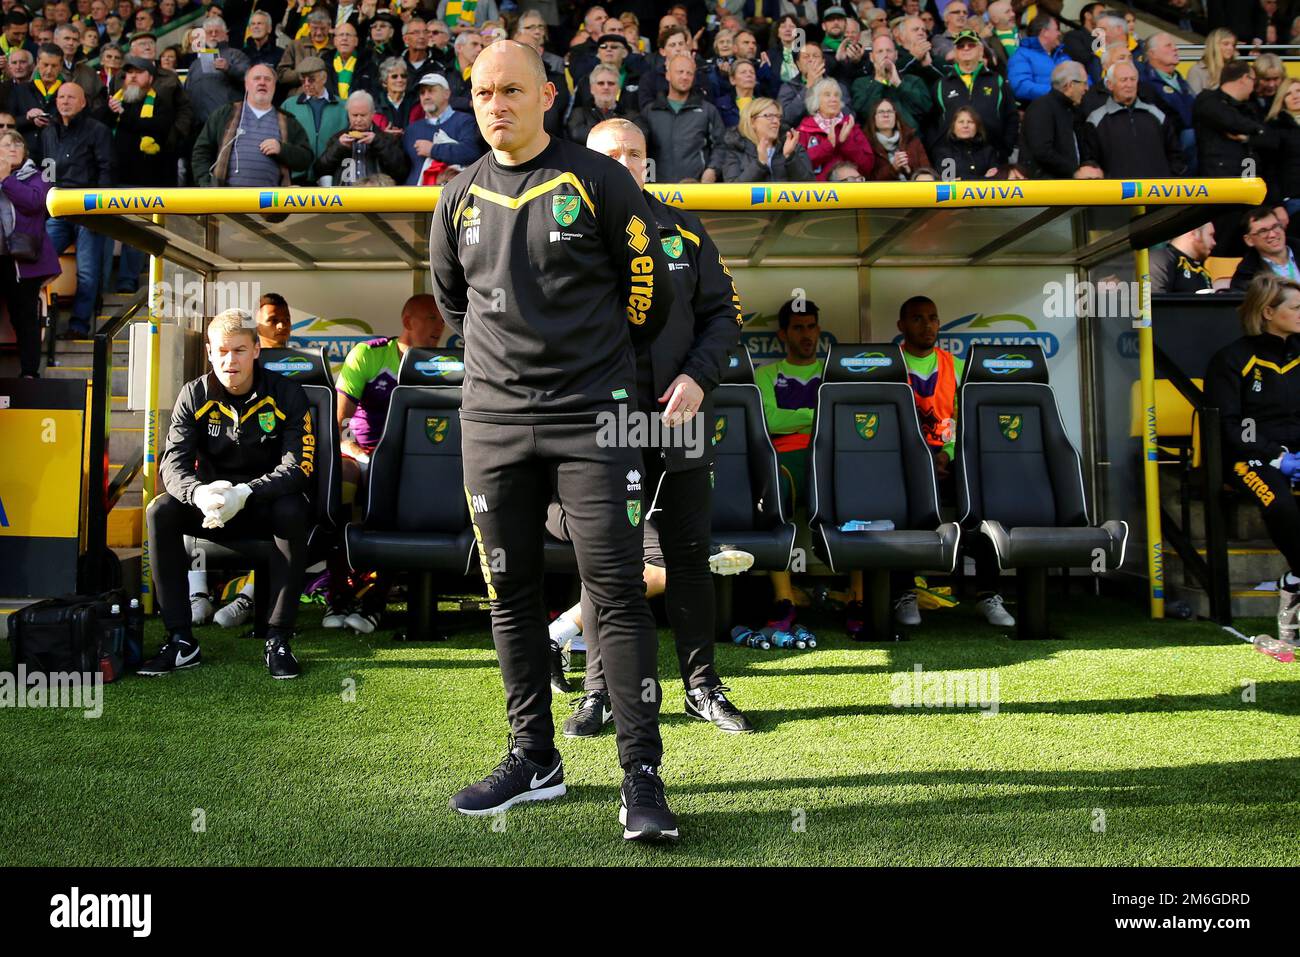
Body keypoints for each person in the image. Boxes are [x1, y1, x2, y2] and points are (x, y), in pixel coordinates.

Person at [428, 40, 679, 840]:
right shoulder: (456, 196)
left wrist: (586, 364)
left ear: (545, 95)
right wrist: (507, 377)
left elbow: (651, 298)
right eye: (481, 92)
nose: (494, 104)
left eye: (510, 90)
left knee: (617, 592)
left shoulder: (599, 182)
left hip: (593, 419)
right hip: (493, 424)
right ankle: (533, 755)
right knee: (510, 593)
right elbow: (454, 308)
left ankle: (641, 777)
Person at [552, 117, 750, 740]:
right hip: (602, 421)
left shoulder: (684, 228)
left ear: (648, 164)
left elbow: (724, 314)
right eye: (609, 155)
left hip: (681, 415)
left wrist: (696, 377)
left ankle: (701, 688)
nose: (623, 163)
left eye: (633, 154)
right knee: (605, 562)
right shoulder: (560, 232)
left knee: (688, 557)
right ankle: (601, 692)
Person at [141, 309, 315, 680]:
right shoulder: (194, 394)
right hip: (213, 508)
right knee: (161, 511)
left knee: (292, 509)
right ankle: (181, 641)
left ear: (255, 350)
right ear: (208, 351)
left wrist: (246, 492)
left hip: (261, 504)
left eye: (238, 350)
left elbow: (299, 466)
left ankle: (278, 639)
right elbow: (172, 465)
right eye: (221, 350)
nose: (229, 360)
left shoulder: (286, 394)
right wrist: (199, 493)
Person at [895, 294, 1016, 627]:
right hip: (906, 462)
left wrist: (947, 452)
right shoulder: (891, 365)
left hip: (949, 458)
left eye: (933, 318)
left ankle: (987, 593)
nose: (928, 325)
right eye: (918, 318)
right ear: (901, 326)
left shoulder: (957, 366)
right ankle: (904, 592)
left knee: (985, 488)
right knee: (893, 498)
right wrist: (923, 458)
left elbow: (968, 419)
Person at [327, 293, 444, 632]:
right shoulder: (370, 352)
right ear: (408, 321)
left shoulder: (443, 363)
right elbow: (338, 419)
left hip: (410, 462)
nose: (439, 326)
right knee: (340, 484)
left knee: (402, 497)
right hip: (362, 451)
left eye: (441, 319)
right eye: (430, 317)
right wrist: (351, 449)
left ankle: (375, 602)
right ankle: (338, 594)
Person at [1205, 273, 1300, 647]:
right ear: (1267, 312)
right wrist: (1275, 456)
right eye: (1295, 308)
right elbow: (1233, 425)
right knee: (1280, 505)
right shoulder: (1232, 359)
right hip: (1249, 459)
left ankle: (1293, 580)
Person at [753, 297, 835, 634]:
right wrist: (815, 416)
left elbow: (838, 419)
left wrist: (799, 419)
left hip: (828, 457)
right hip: (785, 460)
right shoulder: (767, 373)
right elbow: (768, 419)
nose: (807, 334)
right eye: (798, 328)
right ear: (783, 334)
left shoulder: (832, 372)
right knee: (774, 497)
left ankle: (860, 598)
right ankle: (784, 600)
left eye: (812, 326)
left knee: (857, 497)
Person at [38, 81, 110, 338]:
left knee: (88, 272)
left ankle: (79, 326)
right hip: (57, 209)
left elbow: (106, 169)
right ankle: (37, 318)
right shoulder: (48, 132)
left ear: (82, 103)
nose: (65, 101)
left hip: (88, 210)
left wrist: (101, 210)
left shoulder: (97, 130)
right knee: (38, 259)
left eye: (71, 97)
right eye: (61, 97)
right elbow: (45, 169)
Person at [194, 63, 312, 187]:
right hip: (227, 202)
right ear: (246, 85)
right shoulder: (224, 114)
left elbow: (306, 158)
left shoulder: (288, 121)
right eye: (256, 78)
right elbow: (201, 152)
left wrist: (282, 149)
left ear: (274, 86)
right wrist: (207, 185)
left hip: (270, 202)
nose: (262, 82)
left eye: (267, 79)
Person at [0, 128, 58, 378]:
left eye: (17, 144)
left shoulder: (38, 176)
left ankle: (29, 373)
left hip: (23, 261)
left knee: (24, 318)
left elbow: (35, 203)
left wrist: (6, 180)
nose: (12, 148)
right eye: (6, 145)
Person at [1082, 61, 1186, 179]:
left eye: (1133, 79)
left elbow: (1175, 154)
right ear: (1110, 85)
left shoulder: (1157, 114)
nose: (1129, 84)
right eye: (1123, 80)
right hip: (1116, 194)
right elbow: (1091, 163)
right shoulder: (1096, 120)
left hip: (1156, 193)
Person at [639, 52, 725, 183]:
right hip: (659, 193)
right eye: (680, 72)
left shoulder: (708, 110)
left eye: (689, 73)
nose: (685, 77)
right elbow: (640, 151)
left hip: (696, 190)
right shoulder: (650, 111)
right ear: (668, 75)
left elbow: (721, 145)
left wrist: (712, 170)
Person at [935, 28, 1019, 161]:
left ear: (981, 51)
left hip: (992, 157)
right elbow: (932, 123)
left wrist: (1004, 150)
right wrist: (939, 153)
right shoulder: (942, 84)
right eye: (961, 46)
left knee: (993, 182)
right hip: (951, 160)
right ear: (955, 52)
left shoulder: (997, 80)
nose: (966, 48)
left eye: (971, 45)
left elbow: (1011, 117)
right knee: (949, 182)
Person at [1193, 59, 1268, 180]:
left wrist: (1248, 137)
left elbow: (1270, 138)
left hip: (1249, 177)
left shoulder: (1251, 106)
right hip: (1220, 179)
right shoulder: (1208, 100)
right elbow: (1231, 121)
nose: (1254, 86)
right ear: (1245, 78)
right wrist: (1257, 130)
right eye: (1254, 80)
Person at [1020, 60, 1095, 179]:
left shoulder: (1073, 110)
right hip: (1046, 188)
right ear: (1070, 85)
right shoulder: (1042, 108)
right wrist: (1075, 171)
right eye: (1084, 83)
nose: (1087, 88)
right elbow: (1042, 151)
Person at [401, 72, 479, 185]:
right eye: (422, 93)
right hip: (416, 197)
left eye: (431, 91)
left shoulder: (465, 121)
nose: (426, 96)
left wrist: (433, 150)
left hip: (454, 195)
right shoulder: (411, 130)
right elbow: (403, 170)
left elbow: (472, 153)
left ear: (447, 94)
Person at [316, 89, 409, 184]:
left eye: (363, 115)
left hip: (376, 195)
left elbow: (401, 172)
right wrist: (338, 147)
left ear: (373, 114)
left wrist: (377, 142)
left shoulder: (386, 138)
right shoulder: (338, 138)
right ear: (348, 114)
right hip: (346, 195)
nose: (358, 119)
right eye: (354, 115)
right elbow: (320, 170)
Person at [280, 57, 347, 184]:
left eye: (311, 79)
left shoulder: (343, 106)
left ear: (324, 78)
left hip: (332, 176)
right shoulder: (289, 105)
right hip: (298, 177)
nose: (306, 84)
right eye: (302, 79)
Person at [849, 32, 931, 134]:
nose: (885, 54)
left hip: (908, 141)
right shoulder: (861, 83)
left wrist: (899, 84)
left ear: (896, 55)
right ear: (871, 57)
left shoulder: (913, 81)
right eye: (880, 51)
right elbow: (864, 113)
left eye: (889, 51)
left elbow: (924, 109)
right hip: (873, 143)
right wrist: (879, 80)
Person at [1140, 30, 1198, 173]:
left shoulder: (1180, 79)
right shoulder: (1145, 82)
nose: (1175, 48)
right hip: (1168, 150)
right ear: (1152, 54)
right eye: (1168, 45)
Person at [718, 96, 811, 182]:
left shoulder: (793, 147)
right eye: (768, 116)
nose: (776, 121)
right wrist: (760, 164)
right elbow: (732, 193)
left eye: (778, 117)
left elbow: (811, 188)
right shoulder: (735, 150)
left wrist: (790, 157)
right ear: (752, 122)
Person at [797, 76, 873, 181]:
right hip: (820, 193)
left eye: (836, 95)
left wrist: (845, 142)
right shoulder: (804, 129)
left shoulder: (850, 126)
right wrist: (828, 145)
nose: (833, 99)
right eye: (827, 95)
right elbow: (798, 166)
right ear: (816, 101)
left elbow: (867, 165)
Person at [179, 15, 249, 126]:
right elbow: (186, 93)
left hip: (227, 122)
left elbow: (249, 79)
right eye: (209, 32)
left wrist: (229, 68)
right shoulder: (195, 64)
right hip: (199, 125)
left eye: (217, 31)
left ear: (226, 35)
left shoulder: (235, 55)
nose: (213, 35)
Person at [1231, 206, 1300, 291]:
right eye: (1263, 231)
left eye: (1275, 226)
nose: (1272, 235)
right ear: (1249, 240)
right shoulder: (1246, 275)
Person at [863, 94, 928, 181]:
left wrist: (909, 171)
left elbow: (927, 173)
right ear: (873, 119)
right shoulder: (866, 144)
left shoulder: (912, 140)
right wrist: (893, 168)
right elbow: (867, 180)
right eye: (881, 112)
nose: (886, 115)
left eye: (890, 111)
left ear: (896, 117)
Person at [1007, 12, 1068, 104]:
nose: (1059, 33)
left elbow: (1081, 77)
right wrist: (1059, 92)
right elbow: (1020, 87)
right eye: (1056, 29)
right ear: (1045, 32)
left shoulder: (1061, 54)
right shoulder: (1021, 55)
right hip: (1042, 110)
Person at [930, 105, 1002, 180]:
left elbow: (995, 180)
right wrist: (983, 178)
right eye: (961, 122)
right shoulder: (944, 152)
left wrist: (961, 179)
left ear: (977, 127)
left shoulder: (988, 151)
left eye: (970, 122)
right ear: (953, 127)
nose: (965, 126)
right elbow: (949, 184)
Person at [1265, 77, 1300, 217]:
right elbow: (1270, 169)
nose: (1295, 96)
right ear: (1282, 99)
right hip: (1294, 199)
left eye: (1298, 91)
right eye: (1288, 93)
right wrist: (1277, 204)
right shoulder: (1276, 128)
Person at [1149, 223, 1216, 294]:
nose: (1214, 242)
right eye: (1211, 235)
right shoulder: (1161, 259)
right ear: (1194, 233)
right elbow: (1152, 301)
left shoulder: (1203, 271)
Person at [1186, 27, 1235, 95]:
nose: (1231, 48)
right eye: (1226, 44)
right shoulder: (1197, 71)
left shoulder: (1234, 68)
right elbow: (1195, 102)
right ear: (1214, 45)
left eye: (1233, 45)